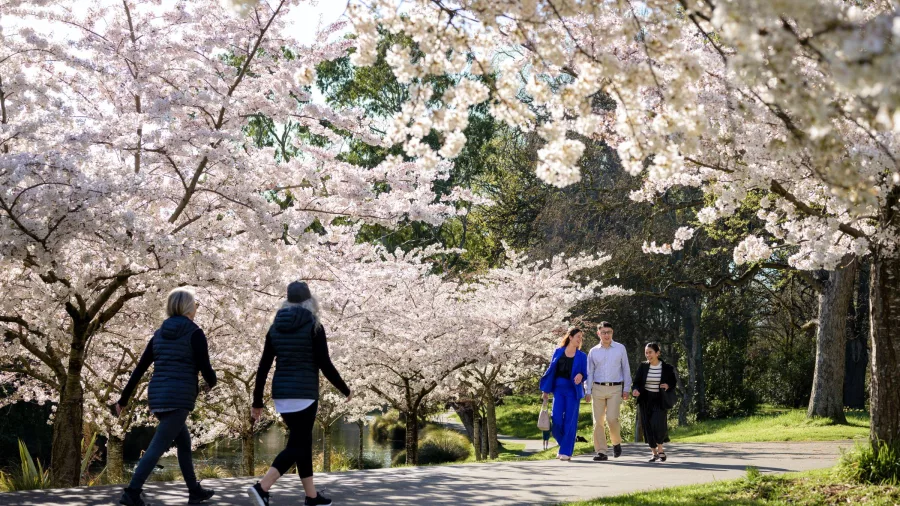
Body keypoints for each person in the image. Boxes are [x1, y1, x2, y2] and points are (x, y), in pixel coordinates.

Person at [247, 281, 352, 506]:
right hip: (304, 395)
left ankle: (311, 496)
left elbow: (263, 366)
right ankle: (262, 487)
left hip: (282, 396)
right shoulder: (314, 325)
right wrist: (345, 389)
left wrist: (257, 401)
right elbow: (325, 363)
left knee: (301, 442)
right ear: (310, 301)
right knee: (297, 445)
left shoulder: (275, 327)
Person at [115, 287, 217, 506]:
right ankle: (132, 492)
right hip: (179, 397)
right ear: (189, 307)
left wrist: (123, 399)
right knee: (157, 446)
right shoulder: (195, 333)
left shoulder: (159, 334)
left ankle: (194, 490)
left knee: (184, 442)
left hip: (159, 396)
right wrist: (212, 381)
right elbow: (205, 367)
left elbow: (140, 369)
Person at [584, 321, 631, 461]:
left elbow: (626, 368)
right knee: (598, 421)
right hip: (597, 388)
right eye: (603, 332)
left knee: (612, 418)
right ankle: (601, 451)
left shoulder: (620, 348)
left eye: (609, 332)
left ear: (612, 333)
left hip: (615, 388)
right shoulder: (593, 351)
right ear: (598, 333)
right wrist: (587, 390)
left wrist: (626, 388)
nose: (606, 335)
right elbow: (589, 372)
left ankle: (616, 442)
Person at [539, 327, 588, 461]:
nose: (580, 339)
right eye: (578, 336)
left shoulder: (582, 356)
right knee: (556, 422)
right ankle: (565, 444)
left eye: (581, 337)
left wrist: (581, 375)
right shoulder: (558, 352)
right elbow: (550, 372)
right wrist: (546, 391)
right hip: (558, 390)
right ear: (570, 337)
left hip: (573, 390)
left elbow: (585, 373)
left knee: (570, 422)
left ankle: (565, 452)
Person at [631, 342, 678, 462]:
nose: (648, 355)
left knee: (658, 425)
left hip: (659, 399)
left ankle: (661, 449)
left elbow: (673, 382)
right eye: (646, 353)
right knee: (648, 426)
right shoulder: (643, 367)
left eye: (650, 352)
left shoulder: (667, 368)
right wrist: (635, 390)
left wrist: (667, 385)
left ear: (657, 353)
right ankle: (654, 452)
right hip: (645, 399)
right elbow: (636, 382)